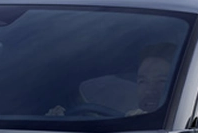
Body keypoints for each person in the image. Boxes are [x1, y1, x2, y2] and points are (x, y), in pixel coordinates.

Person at [50, 42, 179, 117]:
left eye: (162, 81)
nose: (150, 90)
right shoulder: (113, 119)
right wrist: (54, 122)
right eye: (142, 81)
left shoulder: (177, 124)